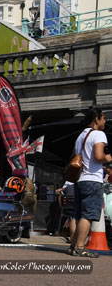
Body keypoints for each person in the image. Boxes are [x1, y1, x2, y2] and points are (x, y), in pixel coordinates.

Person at [69, 108, 111, 258]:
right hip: (93, 179)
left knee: (77, 214)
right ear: (96, 120)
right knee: (88, 215)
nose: (105, 121)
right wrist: (109, 157)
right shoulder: (98, 134)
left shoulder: (81, 136)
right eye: (103, 118)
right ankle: (80, 247)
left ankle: (73, 245)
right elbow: (99, 156)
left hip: (80, 179)